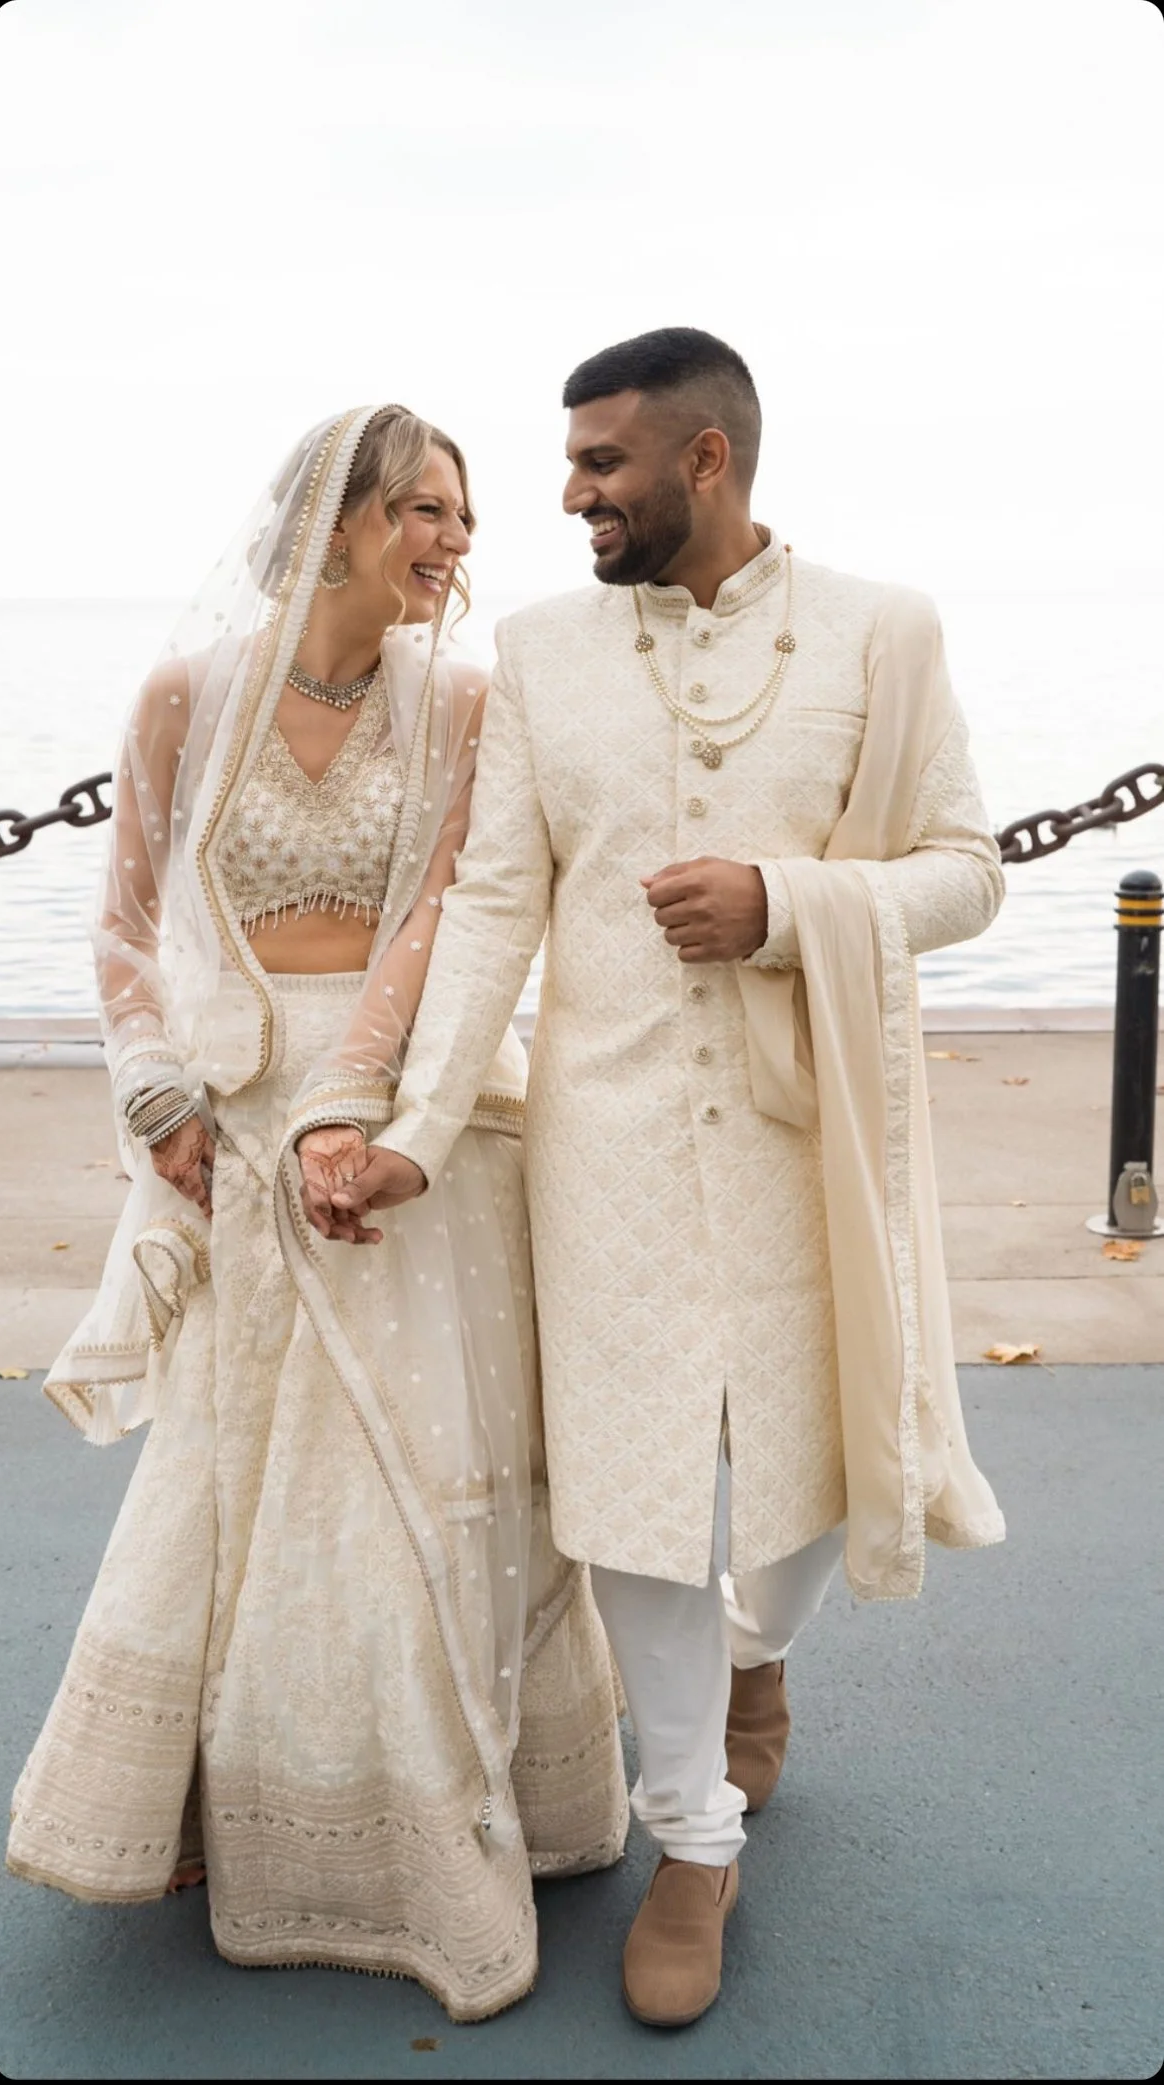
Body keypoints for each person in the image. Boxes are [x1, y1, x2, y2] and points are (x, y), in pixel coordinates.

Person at [332, 331, 1008, 2029]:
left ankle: (758, 1647)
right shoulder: (544, 651)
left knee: (815, 1461)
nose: (566, 498)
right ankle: (690, 1835)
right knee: (633, 1481)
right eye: (566, 465)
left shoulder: (882, 632)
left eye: (599, 466)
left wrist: (787, 905)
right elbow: (496, 900)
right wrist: (416, 1126)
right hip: (609, 1137)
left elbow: (964, 873)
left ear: (704, 461)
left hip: (808, 1134)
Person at [6, 405, 628, 2023]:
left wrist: (352, 1107)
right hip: (225, 1108)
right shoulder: (181, 698)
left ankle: (466, 1814)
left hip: (413, 1115)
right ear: (336, 520)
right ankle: (224, 1805)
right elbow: (128, 924)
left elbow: (440, 917)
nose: (454, 540)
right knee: (238, 1459)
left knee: (414, 1457)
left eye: (462, 514)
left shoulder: (466, 707)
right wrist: (161, 1104)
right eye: (425, 508)